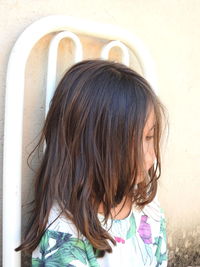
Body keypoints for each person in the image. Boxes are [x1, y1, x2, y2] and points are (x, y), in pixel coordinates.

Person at [16, 59, 168, 266]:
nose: (152, 157)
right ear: (93, 147)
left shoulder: (147, 210)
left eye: (150, 137)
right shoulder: (63, 237)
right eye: (136, 141)